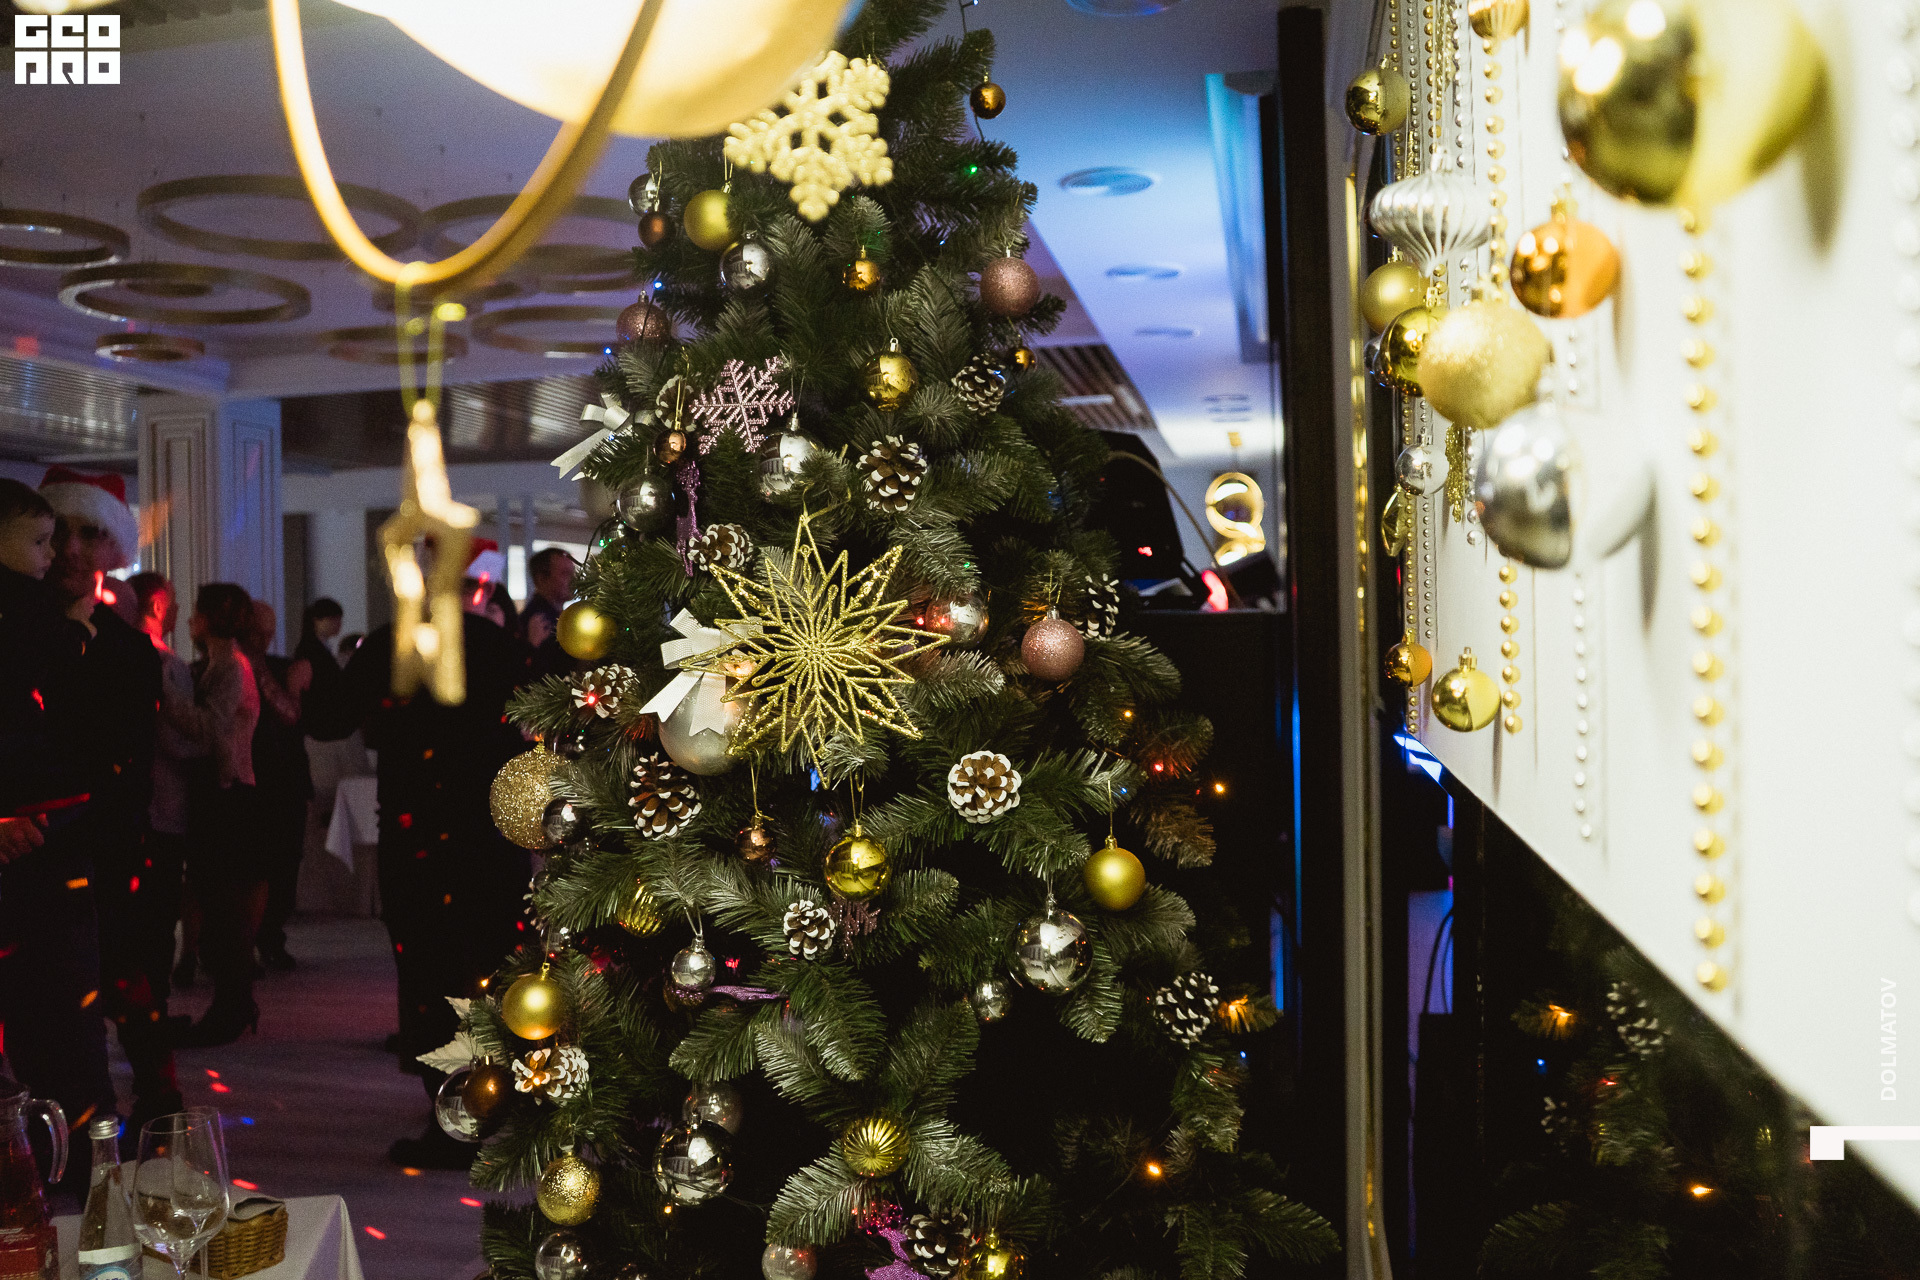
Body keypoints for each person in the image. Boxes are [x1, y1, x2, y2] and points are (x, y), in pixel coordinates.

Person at [311, 542, 535, 1168]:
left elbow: (328, 719)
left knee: (431, 974)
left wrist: (315, 676)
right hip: (489, 834)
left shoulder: (390, 645)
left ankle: (457, 1116)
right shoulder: (496, 645)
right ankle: (504, 1097)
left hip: (421, 836)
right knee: (492, 965)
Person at [28, 467, 160, 1190]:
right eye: (61, 533)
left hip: (106, 850)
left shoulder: (124, 645)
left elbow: (125, 760)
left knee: (122, 988)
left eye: (89, 533)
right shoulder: (22, 634)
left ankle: (132, 1125)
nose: (72, 550)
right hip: (32, 856)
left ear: (111, 547)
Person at [126, 573, 205, 1123]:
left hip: (142, 808)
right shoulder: (162, 663)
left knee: (149, 922)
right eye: (173, 603)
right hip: (163, 805)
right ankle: (151, 1016)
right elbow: (178, 739)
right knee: (154, 922)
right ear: (156, 604)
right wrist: (211, 738)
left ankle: (151, 1011)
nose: (178, 612)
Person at [175, 583, 262, 1048]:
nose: (189, 619)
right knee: (219, 902)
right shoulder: (224, 665)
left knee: (223, 904)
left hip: (228, 794)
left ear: (210, 618)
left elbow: (213, 731)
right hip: (226, 791)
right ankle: (234, 1002)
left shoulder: (230, 667)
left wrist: (163, 698)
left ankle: (232, 1005)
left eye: (196, 611)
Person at [242, 601, 311, 972]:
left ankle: (268, 936)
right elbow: (290, 714)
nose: (266, 639)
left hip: (282, 780)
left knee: (282, 865)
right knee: (266, 867)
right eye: (261, 633)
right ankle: (261, 938)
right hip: (264, 780)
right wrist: (295, 689)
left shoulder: (275, 667)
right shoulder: (256, 668)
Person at [521, 545, 575, 650]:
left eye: (573, 573)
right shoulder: (539, 623)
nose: (574, 580)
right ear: (542, 579)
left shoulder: (560, 617)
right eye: (565, 573)